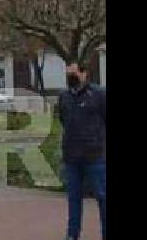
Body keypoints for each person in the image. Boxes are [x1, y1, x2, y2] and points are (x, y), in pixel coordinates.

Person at [57, 61, 106, 240]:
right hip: (72, 156)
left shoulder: (99, 95)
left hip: (95, 156)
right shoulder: (64, 97)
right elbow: (63, 119)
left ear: (84, 74)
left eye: (74, 74)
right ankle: (72, 234)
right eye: (68, 74)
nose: (71, 78)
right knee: (74, 198)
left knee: (102, 197)